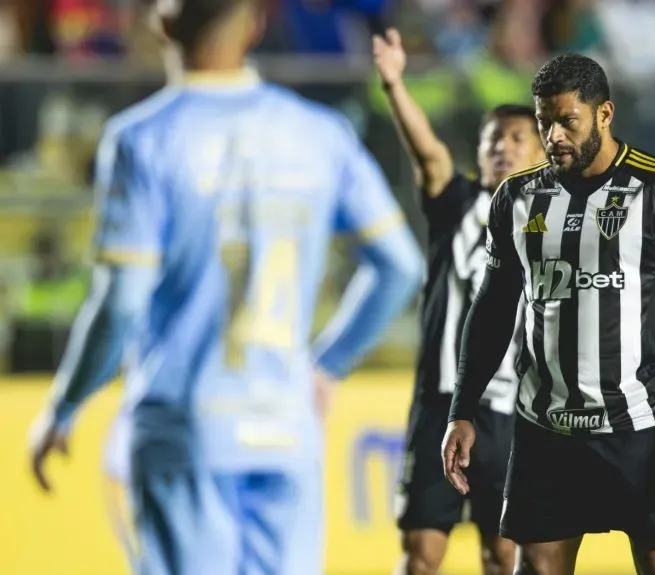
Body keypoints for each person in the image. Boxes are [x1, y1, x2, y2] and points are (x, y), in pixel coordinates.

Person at [26, 2, 425, 574]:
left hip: (185, 430)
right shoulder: (319, 133)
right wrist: (327, 366)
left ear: (162, 24)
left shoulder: (142, 140)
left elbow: (121, 302)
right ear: (257, 24)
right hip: (287, 428)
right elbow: (400, 265)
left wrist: (64, 407)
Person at [441, 53, 655, 575]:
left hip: (642, 428)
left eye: (567, 121)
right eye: (545, 122)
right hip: (546, 431)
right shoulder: (517, 197)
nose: (554, 135)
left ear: (604, 115)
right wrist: (463, 407)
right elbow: (492, 307)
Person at [372, 27, 545, 575]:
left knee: (503, 554)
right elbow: (428, 156)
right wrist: (395, 85)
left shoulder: (555, 225)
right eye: (493, 138)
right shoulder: (457, 205)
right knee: (422, 554)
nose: (502, 147)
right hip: (441, 406)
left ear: (542, 152)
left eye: (517, 138)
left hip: (514, 415)